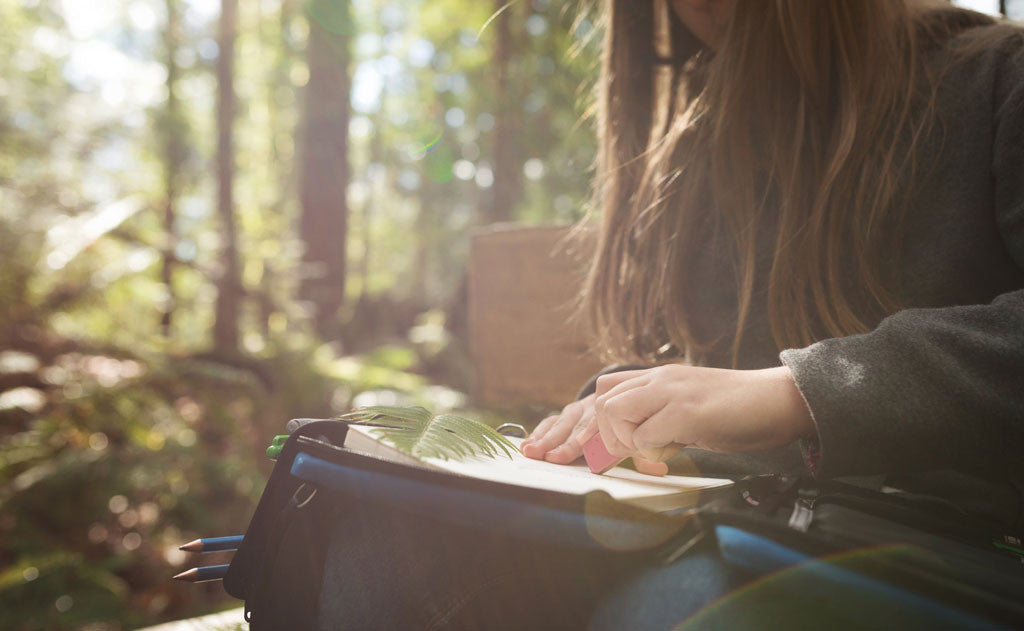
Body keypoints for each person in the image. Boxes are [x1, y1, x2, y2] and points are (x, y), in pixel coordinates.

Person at [516, 0, 1024, 626]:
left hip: (947, 558)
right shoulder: (702, 137)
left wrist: (798, 395)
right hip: (719, 522)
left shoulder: (999, 79)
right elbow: (705, 375)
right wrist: (627, 412)